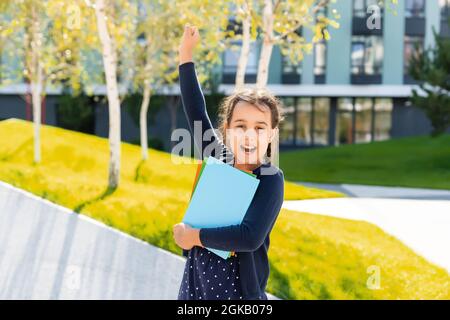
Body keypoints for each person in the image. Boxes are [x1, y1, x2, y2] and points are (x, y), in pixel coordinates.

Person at [173, 24, 285, 300]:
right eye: (240, 126)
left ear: (271, 134)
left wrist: (194, 236)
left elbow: (249, 237)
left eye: (259, 128)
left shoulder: (269, 178)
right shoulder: (219, 158)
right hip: (195, 288)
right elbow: (196, 110)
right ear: (227, 129)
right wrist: (185, 55)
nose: (249, 135)